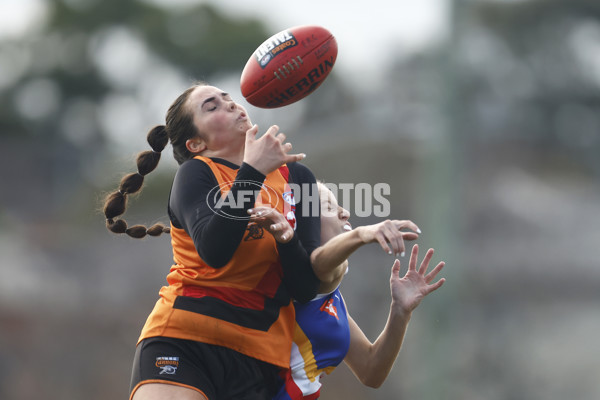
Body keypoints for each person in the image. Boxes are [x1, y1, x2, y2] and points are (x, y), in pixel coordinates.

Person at [102, 82, 324, 400]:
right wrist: (254, 172)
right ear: (195, 143)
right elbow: (214, 250)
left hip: (259, 358)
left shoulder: (298, 179)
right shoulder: (196, 173)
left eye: (228, 98)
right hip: (184, 339)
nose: (230, 104)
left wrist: (285, 237)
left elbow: (305, 288)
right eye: (212, 106)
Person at [248, 183, 446, 399]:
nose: (345, 213)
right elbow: (321, 265)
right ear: (302, 224)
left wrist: (400, 311)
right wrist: (362, 234)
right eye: (329, 207)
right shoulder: (300, 279)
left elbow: (371, 371)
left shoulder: (329, 295)